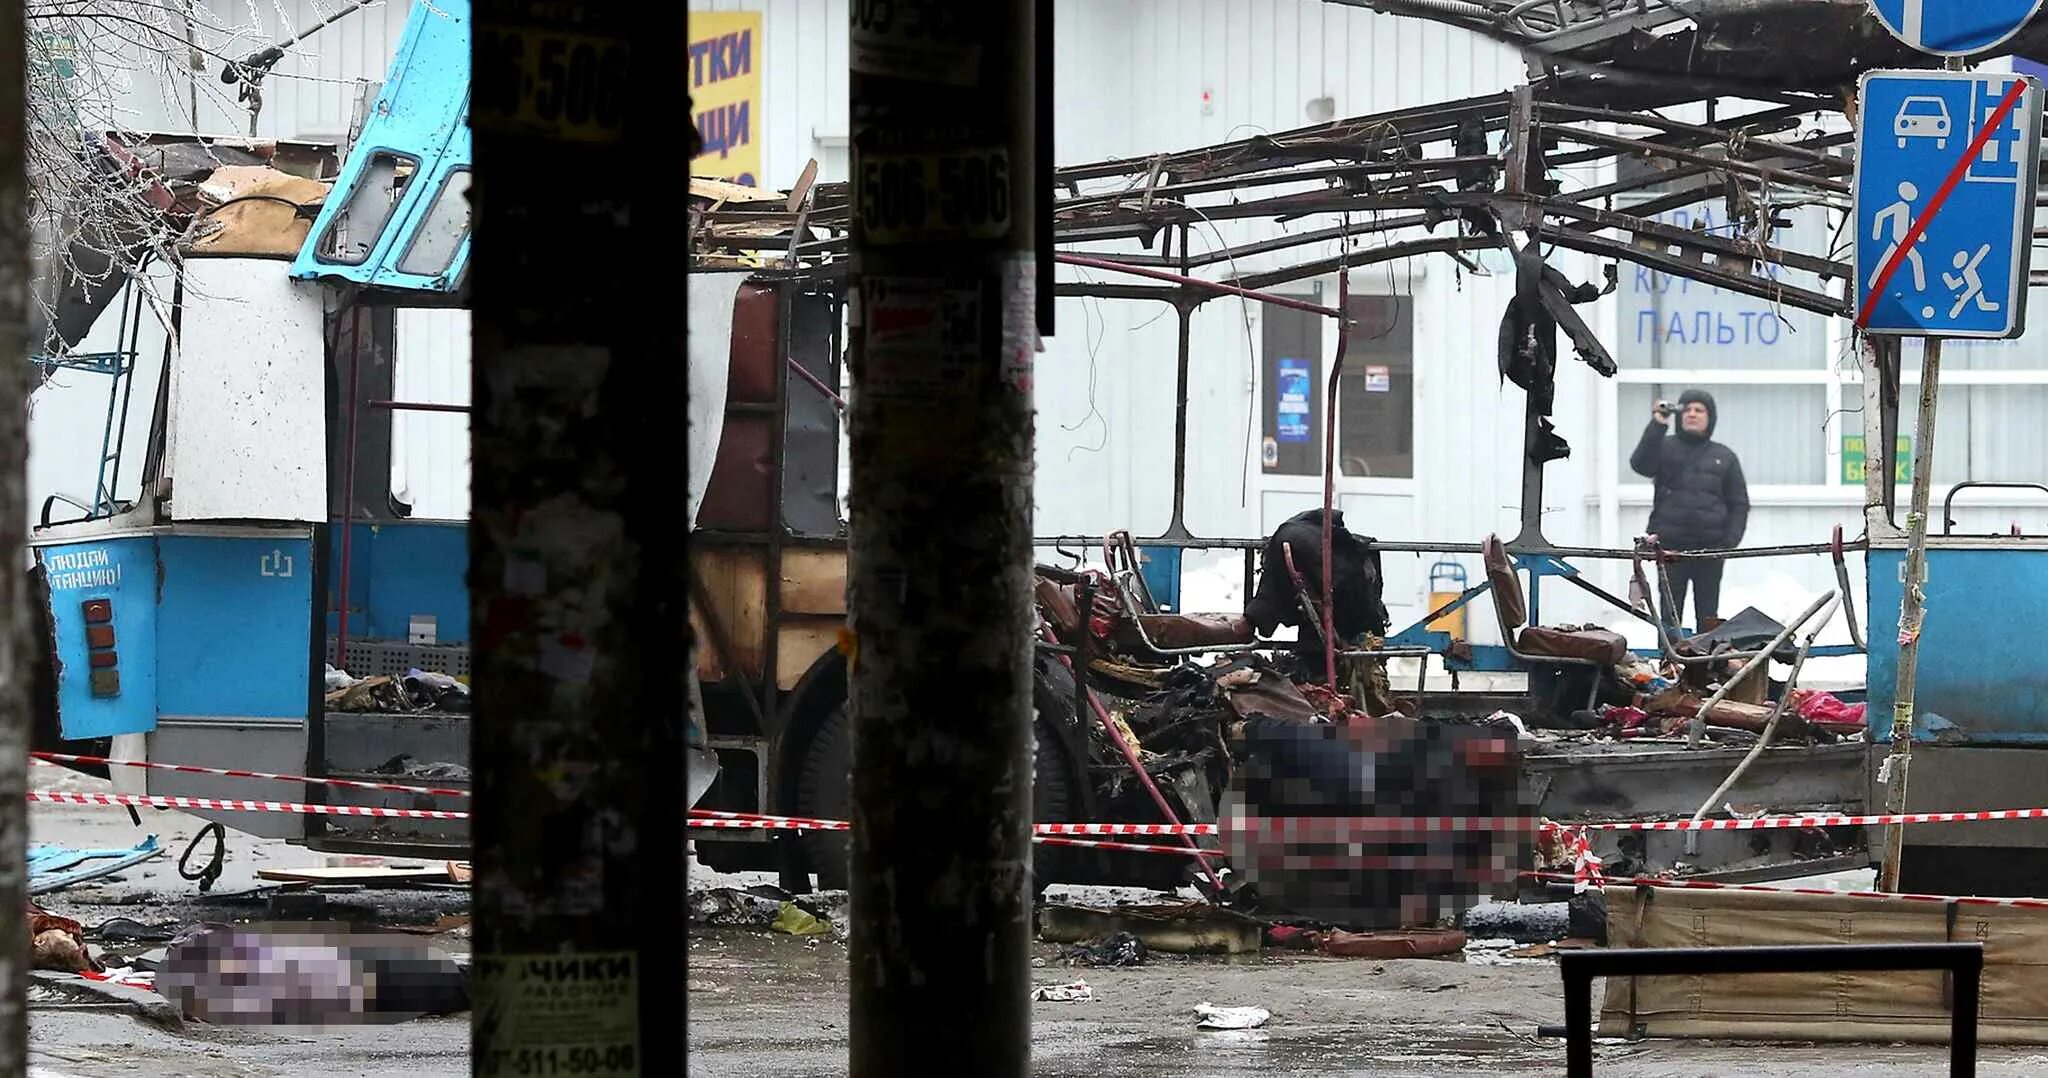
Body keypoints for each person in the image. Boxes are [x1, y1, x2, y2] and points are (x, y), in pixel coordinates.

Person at [1629, 389, 1749, 628]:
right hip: (1670, 549)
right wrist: (1658, 424)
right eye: (1687, 409)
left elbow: (1739, 503)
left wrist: (1727, 544)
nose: (1692, 414)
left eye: (1699, 410)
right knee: (1669, 616)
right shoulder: (1664, 447)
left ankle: (1704, 665)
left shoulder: (1724, 456)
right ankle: (1670, 663)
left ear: (1710, 417)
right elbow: (1640, 465)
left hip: (1711, 551)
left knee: (1708, 616)